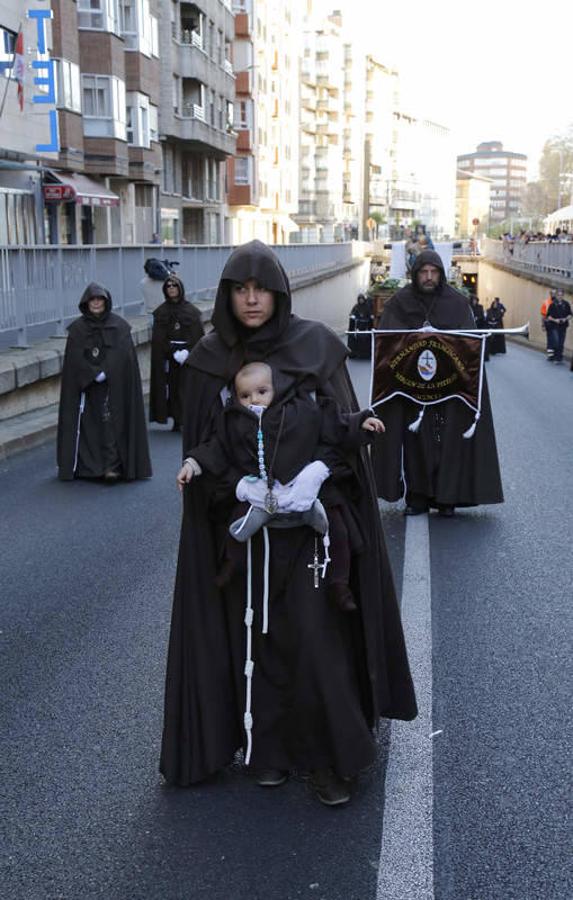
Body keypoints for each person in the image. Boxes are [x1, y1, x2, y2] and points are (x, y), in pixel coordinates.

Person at [160, 240, 417, 806]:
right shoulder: (208, 361)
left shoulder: (315, 346)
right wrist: (237, 489)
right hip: (246, 533)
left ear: (279, 292)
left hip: (314, 531)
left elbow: (344, 430)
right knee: (259, 637)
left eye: (261, 289)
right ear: (228, 294)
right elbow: (206, 449)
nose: (251, 300)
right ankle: (269, 750)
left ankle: (333, 758)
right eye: (240, 289)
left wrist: (317, 474)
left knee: (316, 636)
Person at [180, 360, 385, 613]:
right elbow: (216, 448)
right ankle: (231, 566)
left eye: (261, 392)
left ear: (276, 389)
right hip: (262, 492)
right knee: (238, 526)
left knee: (338, 528)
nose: (254, 399)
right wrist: (193, 463)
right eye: (245, 395)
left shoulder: (300, 410)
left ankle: (339, 583)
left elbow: (334, 422)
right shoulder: (233, 421)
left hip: (305, 488)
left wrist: (360, 422)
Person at [372, 250, 503, 516]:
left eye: (434, 272)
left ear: (441, 274)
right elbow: (389, 342)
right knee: (415, 444)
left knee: (450, 444)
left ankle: (447, 498)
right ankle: (417, 498)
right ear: (415, 274)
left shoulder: (456, 303)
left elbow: (468, 343)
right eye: (423, 272)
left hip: (449, 389)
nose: (429, 277)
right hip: (412, 389)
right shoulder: (400, 303)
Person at [57, 283, 152, 482]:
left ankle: (112, 467)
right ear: (86, 303)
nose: (96, 303)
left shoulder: (119, 326)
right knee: (89, 427)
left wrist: (107, 371)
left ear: (106, 302)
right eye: (92, 300)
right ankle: (90, 467)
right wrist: (92, 374)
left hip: (114, 386)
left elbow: (124, 357)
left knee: (111, 425)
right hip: (87, 388)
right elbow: (74, 360)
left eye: (100, 299)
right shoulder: (77, 330)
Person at [149, 275, 204, 431]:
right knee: (172, 388)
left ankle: (187, 418)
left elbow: (198, 336)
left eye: (174, 285)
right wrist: (172, 351)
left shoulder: (191, 311)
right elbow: (159, 338)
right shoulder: (161, 312)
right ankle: (176, 419)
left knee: (187, 388)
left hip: (188, 356)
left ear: (180, 288)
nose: (171, 288)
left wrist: (188, 351)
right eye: (168, 286)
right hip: (170, 356)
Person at [545, 288, 572, 363]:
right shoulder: (552, 304)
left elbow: (570, 315)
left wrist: (565, 319)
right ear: (556, 295)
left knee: (561, 342)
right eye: (558, 295)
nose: (560, 296)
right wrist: (555, 320)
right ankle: (554, 356)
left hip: (563, 326)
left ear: (563, 295)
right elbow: (548, 316)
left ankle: (559, 357)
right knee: (556, 342)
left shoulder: (566, 304)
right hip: (554, 326)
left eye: (561, 295)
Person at [347, 292, 374, 358]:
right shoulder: (356, 306)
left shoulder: (367, 307)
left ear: (364, 299)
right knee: (356, 337)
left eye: (362, 299)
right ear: (358, 300)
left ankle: (366, 353)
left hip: (365, 325)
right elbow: (352, 313)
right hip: (358, 325)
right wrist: (352, 315)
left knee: (366, 338)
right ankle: (355, 352)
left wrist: (371, 316)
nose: (361, 300)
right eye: (360, 299)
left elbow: (370, 314)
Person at [540, 291, 556, 361]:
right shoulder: (546, 302)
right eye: (552, 293)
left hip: (557, 324)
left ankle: (556, 354)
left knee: (556, 339)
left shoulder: (560, 302)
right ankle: (550, 355)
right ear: (550, 294)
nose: (554, 295)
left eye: (555, 293)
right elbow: (543, 315)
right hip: (549, 323)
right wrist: (543, 325)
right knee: (550, 340)